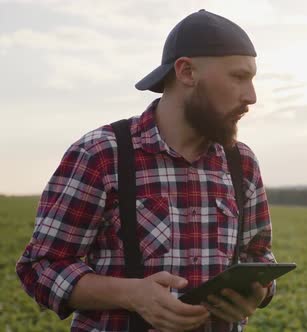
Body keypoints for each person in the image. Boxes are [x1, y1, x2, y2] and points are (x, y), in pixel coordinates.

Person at [16, 10, 276, 332]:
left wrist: (257, 292)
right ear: (186, 71)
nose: (251, 96)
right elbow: (40, 268)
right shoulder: (102, 154)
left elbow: (258, 256)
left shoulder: (242, 163)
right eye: (239, 77)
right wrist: (131, 294)